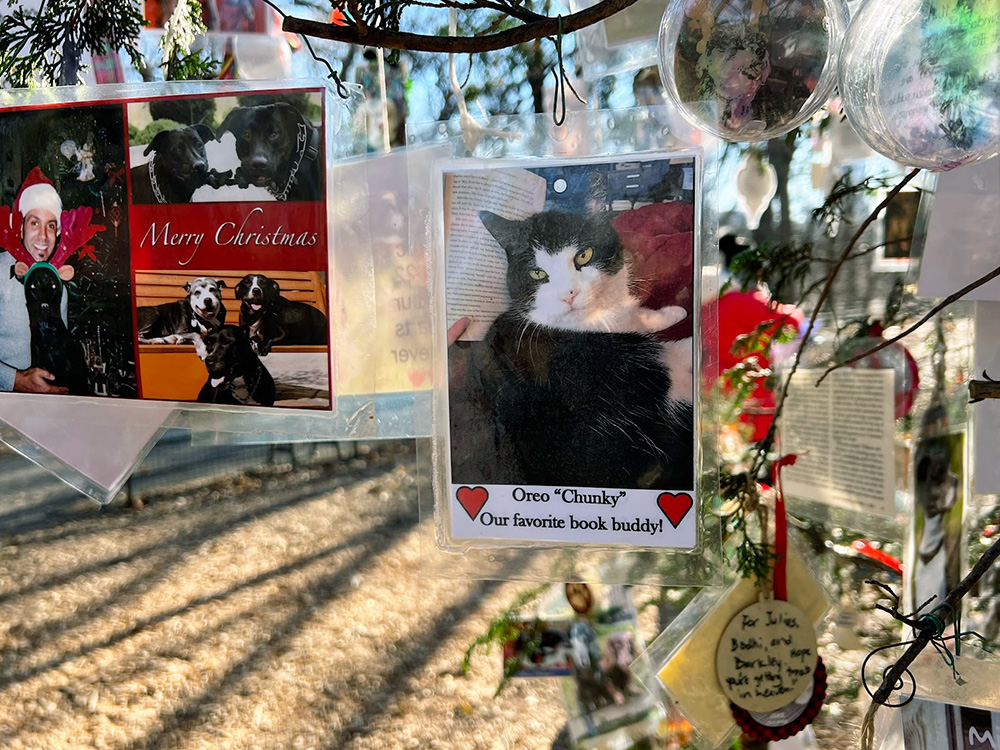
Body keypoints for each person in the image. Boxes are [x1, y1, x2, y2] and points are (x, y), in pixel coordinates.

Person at [0, 171, 69, 394]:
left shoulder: (57, 284)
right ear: (20, 227)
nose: (43, 237)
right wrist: (16, 380)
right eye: (34, 223)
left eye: (50, 226)